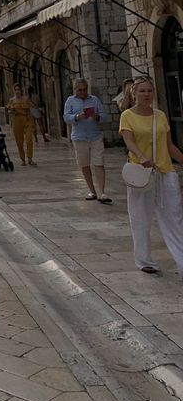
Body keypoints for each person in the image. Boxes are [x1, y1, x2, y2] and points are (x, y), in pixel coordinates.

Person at [120, 76, 183, 275]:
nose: (146, 94)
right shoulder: (127, 116)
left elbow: (169, 145)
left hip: (165, 172)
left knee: (175, 217)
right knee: (140, 218)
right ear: (134, 94)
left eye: (149, 91)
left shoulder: (160, 116)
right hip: (141, 173)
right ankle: (144, 260)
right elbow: (129, 141)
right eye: (142, 91)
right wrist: (141, 156)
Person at [63, 78, 111, 204]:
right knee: (84, 165)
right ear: (75, 90)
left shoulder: (94, 100)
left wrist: (97, 117)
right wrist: (77, 117)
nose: (83, 92)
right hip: (79, 137)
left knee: (99, 163)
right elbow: (66, 116)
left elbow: (104, 115)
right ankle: (92, 191)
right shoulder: (70, 101)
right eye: (80, 90)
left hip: (95, 136)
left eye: (85, 90)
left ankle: (102, 192)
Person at [7, 84, 35, 166]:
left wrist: (32, 122)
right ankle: (23, 159)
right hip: (17, 120)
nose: (17, 91)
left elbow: (29, 111)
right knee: (19, 141)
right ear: (14, 90)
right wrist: (11, 111)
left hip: (26, 119)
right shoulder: (11, 100)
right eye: (15, 89)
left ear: (21, 90)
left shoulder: (25, 99)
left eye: (18, 89)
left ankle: (30, 158)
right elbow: (8, 111)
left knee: (29, 139)